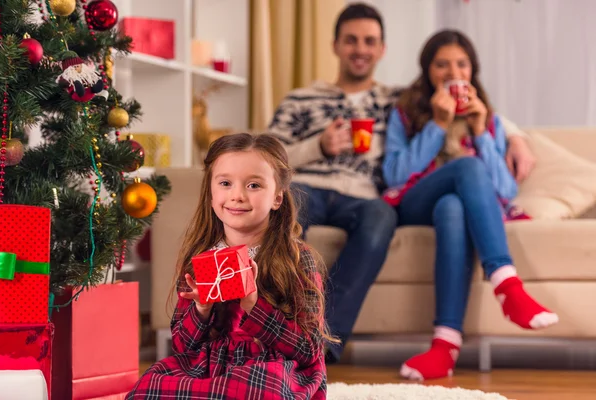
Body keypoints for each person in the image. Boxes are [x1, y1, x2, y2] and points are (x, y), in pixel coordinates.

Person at [268, 2, 537, 364]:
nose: (360, 49)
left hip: (362, 195)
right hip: (308, 185)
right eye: (351, 40)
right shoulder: (303, 99)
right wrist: (318, 145)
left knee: (392, 214)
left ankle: (319, 346)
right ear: (335, 45)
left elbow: (471, 113)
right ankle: (267, 329)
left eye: (369, 41)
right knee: (285, 208)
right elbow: (267, 154)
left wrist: (514, 135)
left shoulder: (394, 100)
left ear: (382, 49)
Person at [381, 29, 559, 381]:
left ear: (472, 71)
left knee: (453, 206)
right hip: (414, 203)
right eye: (442, 64)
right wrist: (438, 125)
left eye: (461, 64)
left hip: (447, 208)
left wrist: (480, 131)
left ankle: (444, 346)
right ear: (427, 70)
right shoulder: (405, 112)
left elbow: (505, 192)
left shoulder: (489, 119)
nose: (452, 73)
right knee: (467, 167)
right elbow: (395, 175)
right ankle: (506, 284)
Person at [127, 134, 332, 399]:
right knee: (151, 383)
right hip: (212, 365)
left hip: (272, 366)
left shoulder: (296, 258)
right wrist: (201, 308)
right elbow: (182, 346)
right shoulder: (200, 258)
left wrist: (253, 304)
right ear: (211, 195)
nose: (237, 196)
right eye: (225, 183)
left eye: (254, 185)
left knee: (260, 389)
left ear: (277, 198)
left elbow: (309, 349)